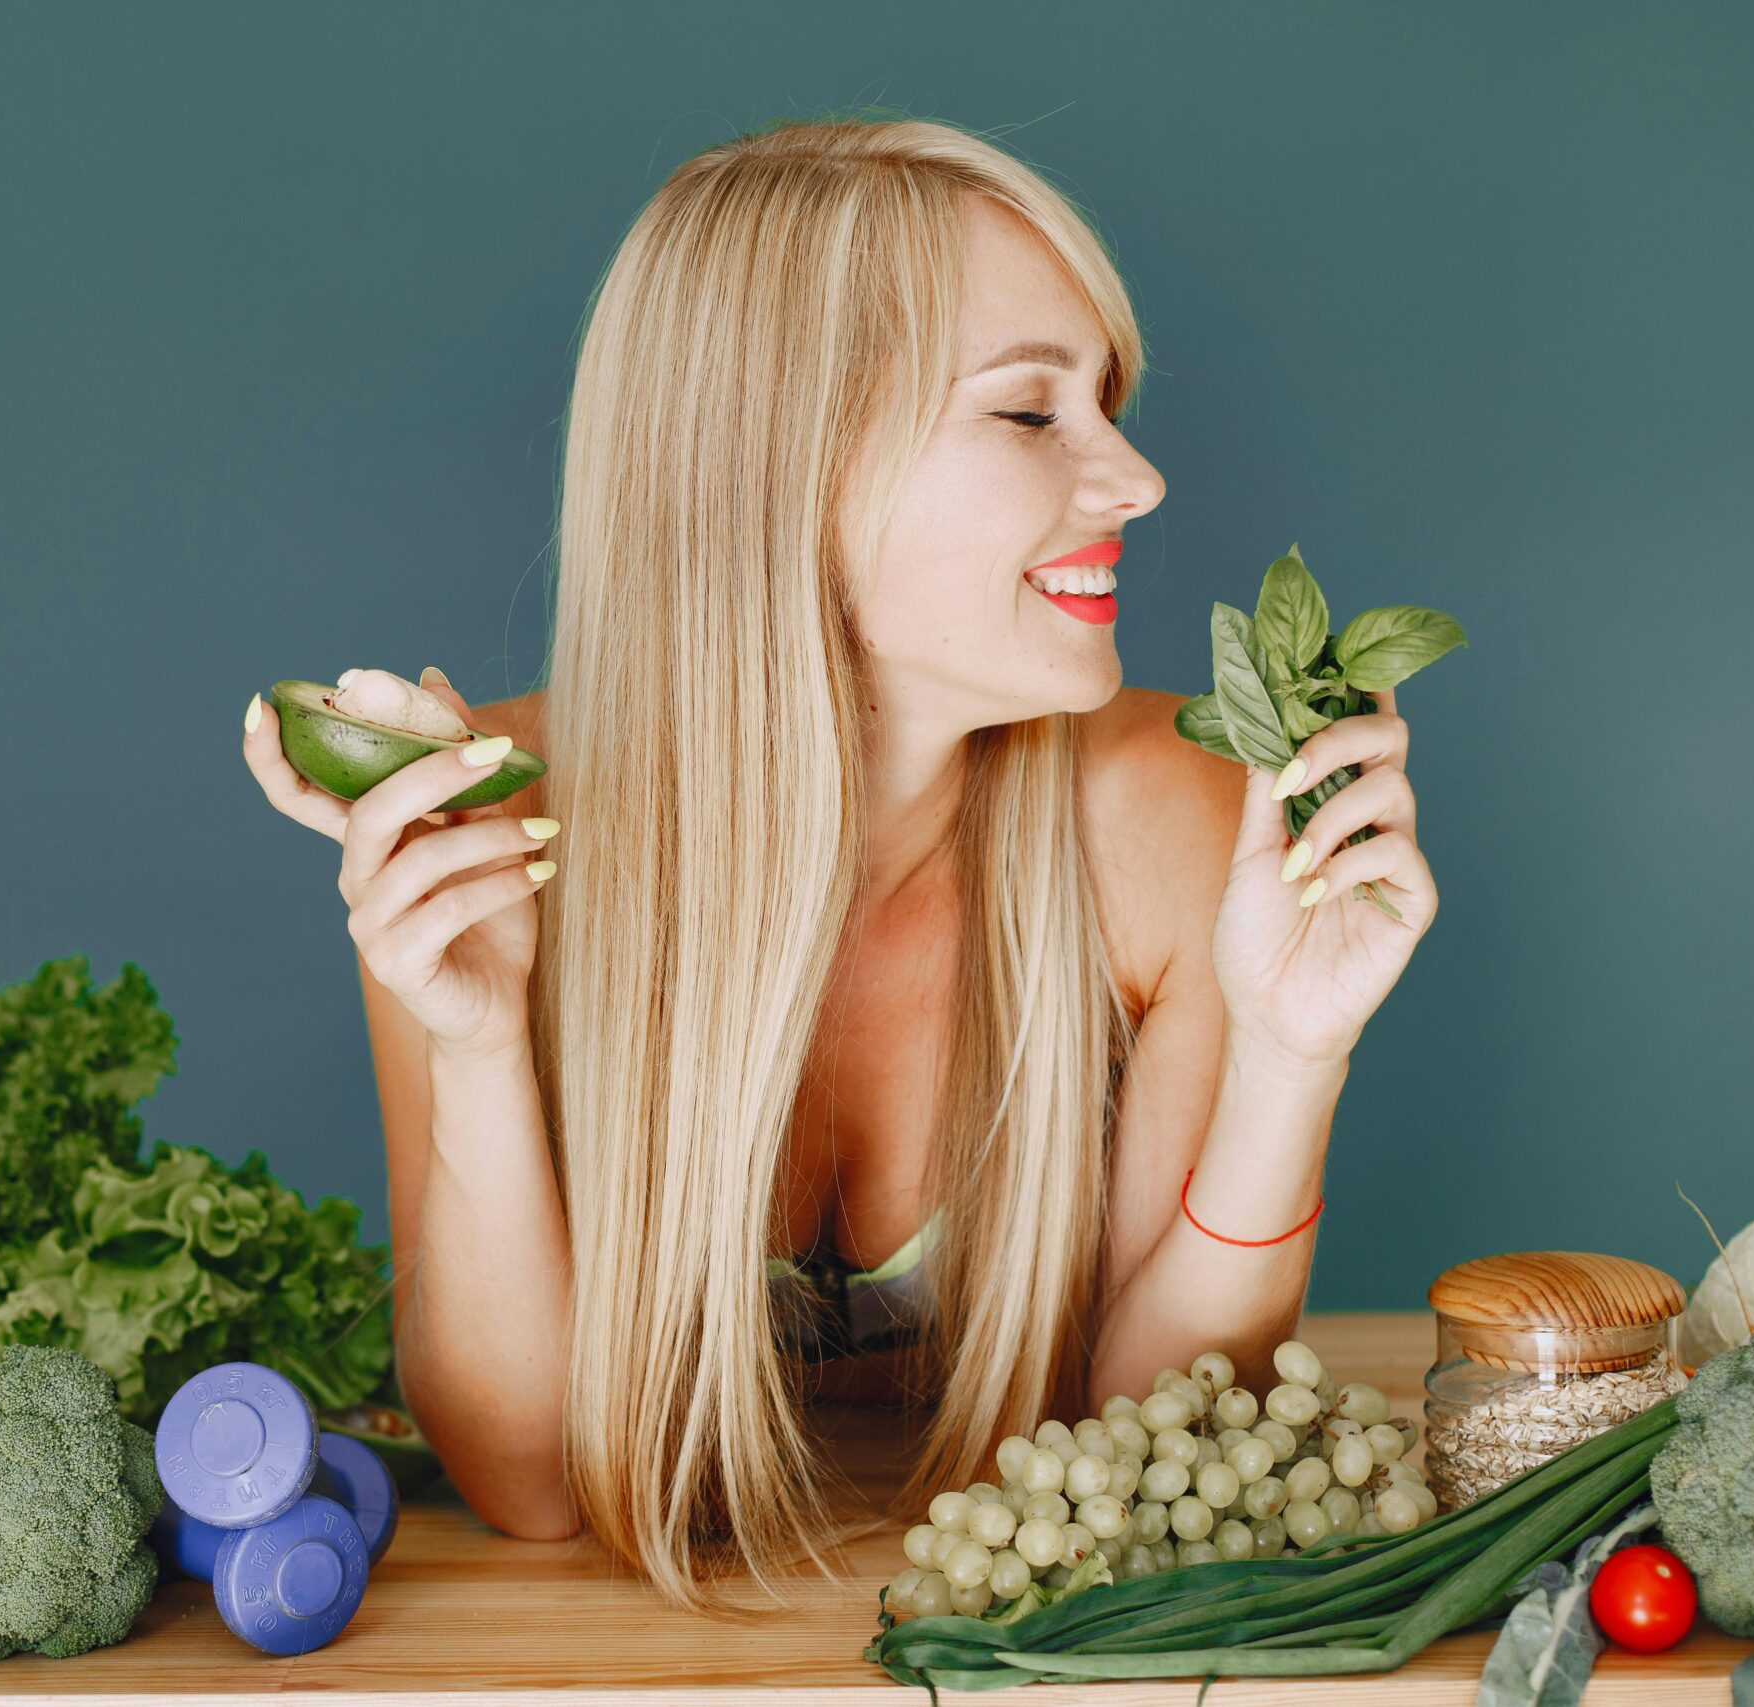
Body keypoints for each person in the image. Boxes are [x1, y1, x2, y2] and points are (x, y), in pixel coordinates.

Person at [240, 113, 1437, 1612]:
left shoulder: (1171, 813)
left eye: (1108, 405)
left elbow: (1150, 1456)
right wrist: (479, 1046)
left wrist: (1289, 1059)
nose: (1134, 479)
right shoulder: (484, 821)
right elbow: (535, 1486)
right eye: (1028, 415)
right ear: (782, 465)